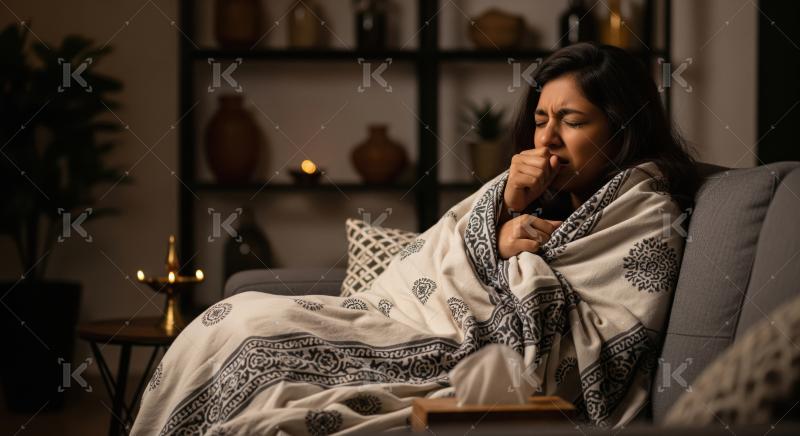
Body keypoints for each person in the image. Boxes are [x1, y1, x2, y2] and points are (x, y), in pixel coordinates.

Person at [497, 42, 699, 260]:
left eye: (573, 122)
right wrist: (506, 213)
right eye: (540, 122)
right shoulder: (530, 201)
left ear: (623, 130)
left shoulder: (653, 215)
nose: (546, 139)